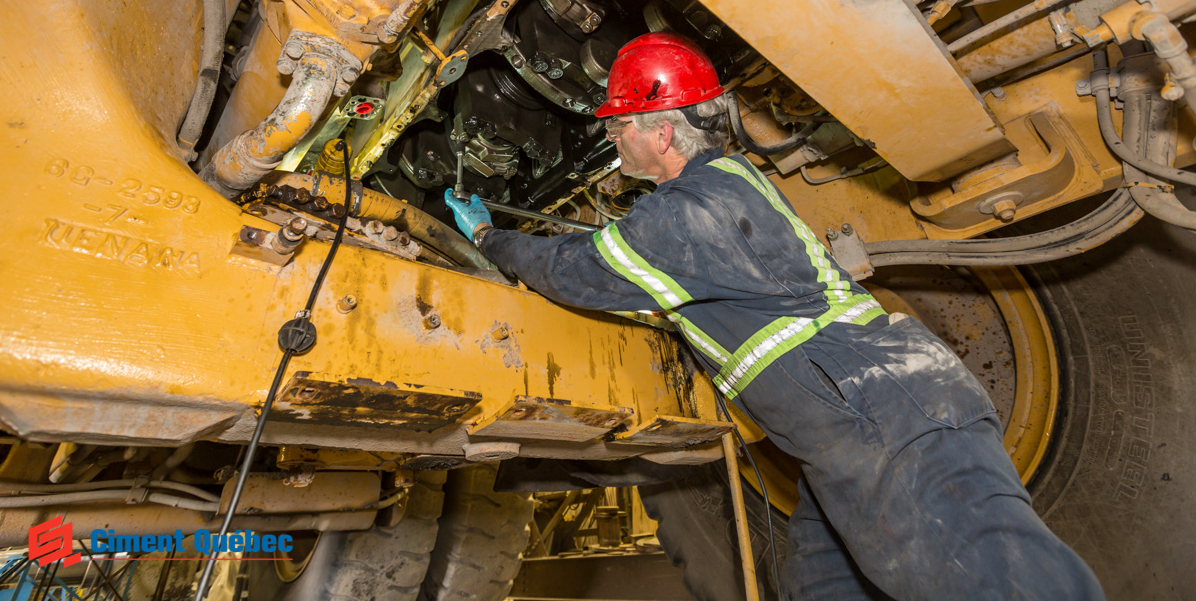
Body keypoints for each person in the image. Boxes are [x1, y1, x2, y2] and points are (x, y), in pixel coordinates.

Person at [445, 32, 1104, 601]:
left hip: (883, 414)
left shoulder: (681, 215)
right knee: (823, 586)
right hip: (844, 429)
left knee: (999, 579)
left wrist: (486, 238)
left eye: (619, 127)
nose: (613, 140)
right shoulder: (729, 177)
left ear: (662, 132)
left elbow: (573, 269)